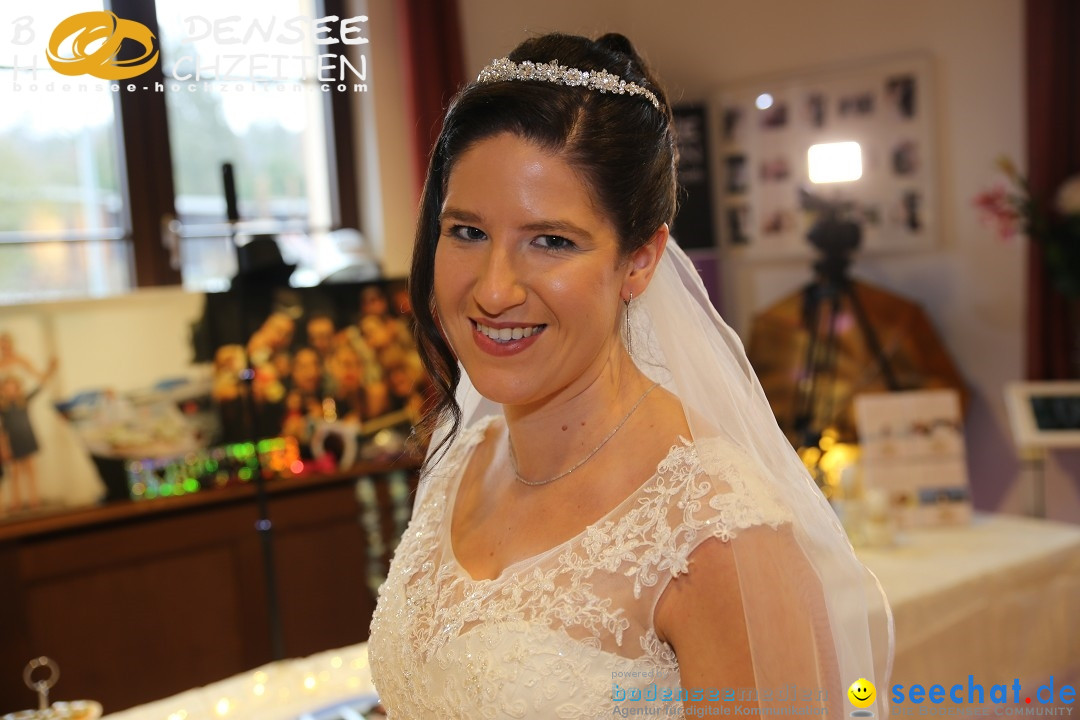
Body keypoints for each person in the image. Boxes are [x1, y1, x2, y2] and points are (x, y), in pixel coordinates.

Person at [368, 32, 892, 718]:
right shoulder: (463, 458)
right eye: (467, 231)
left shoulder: (714, 530)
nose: (493, 290)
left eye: (551, 241)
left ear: (640, 260)